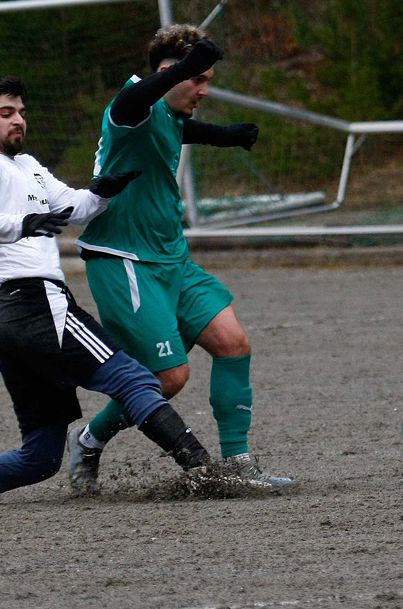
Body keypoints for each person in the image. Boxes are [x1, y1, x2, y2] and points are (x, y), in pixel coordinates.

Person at [0, 76, 217, 505]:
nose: (17, 120)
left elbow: (72, 208)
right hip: (34, 304)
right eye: (6, 113)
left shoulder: (27, 166)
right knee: (136, 379)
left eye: (21, 112)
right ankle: (204, 470)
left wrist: (101, 192)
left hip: (11, 321)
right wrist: (21, 224)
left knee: (40, 458)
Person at [67, 24, 293, 492]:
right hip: (124, 261)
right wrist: (183, 71)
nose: (205, 89)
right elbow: (130, 107)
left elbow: (180, 128)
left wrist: (224, 136)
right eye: (200, 79)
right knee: (168, 379)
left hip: (172, 259)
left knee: (233, 343)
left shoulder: (166, 114)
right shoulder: (132, 102)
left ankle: (238, 466)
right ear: (173, 73)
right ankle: (88, 441)